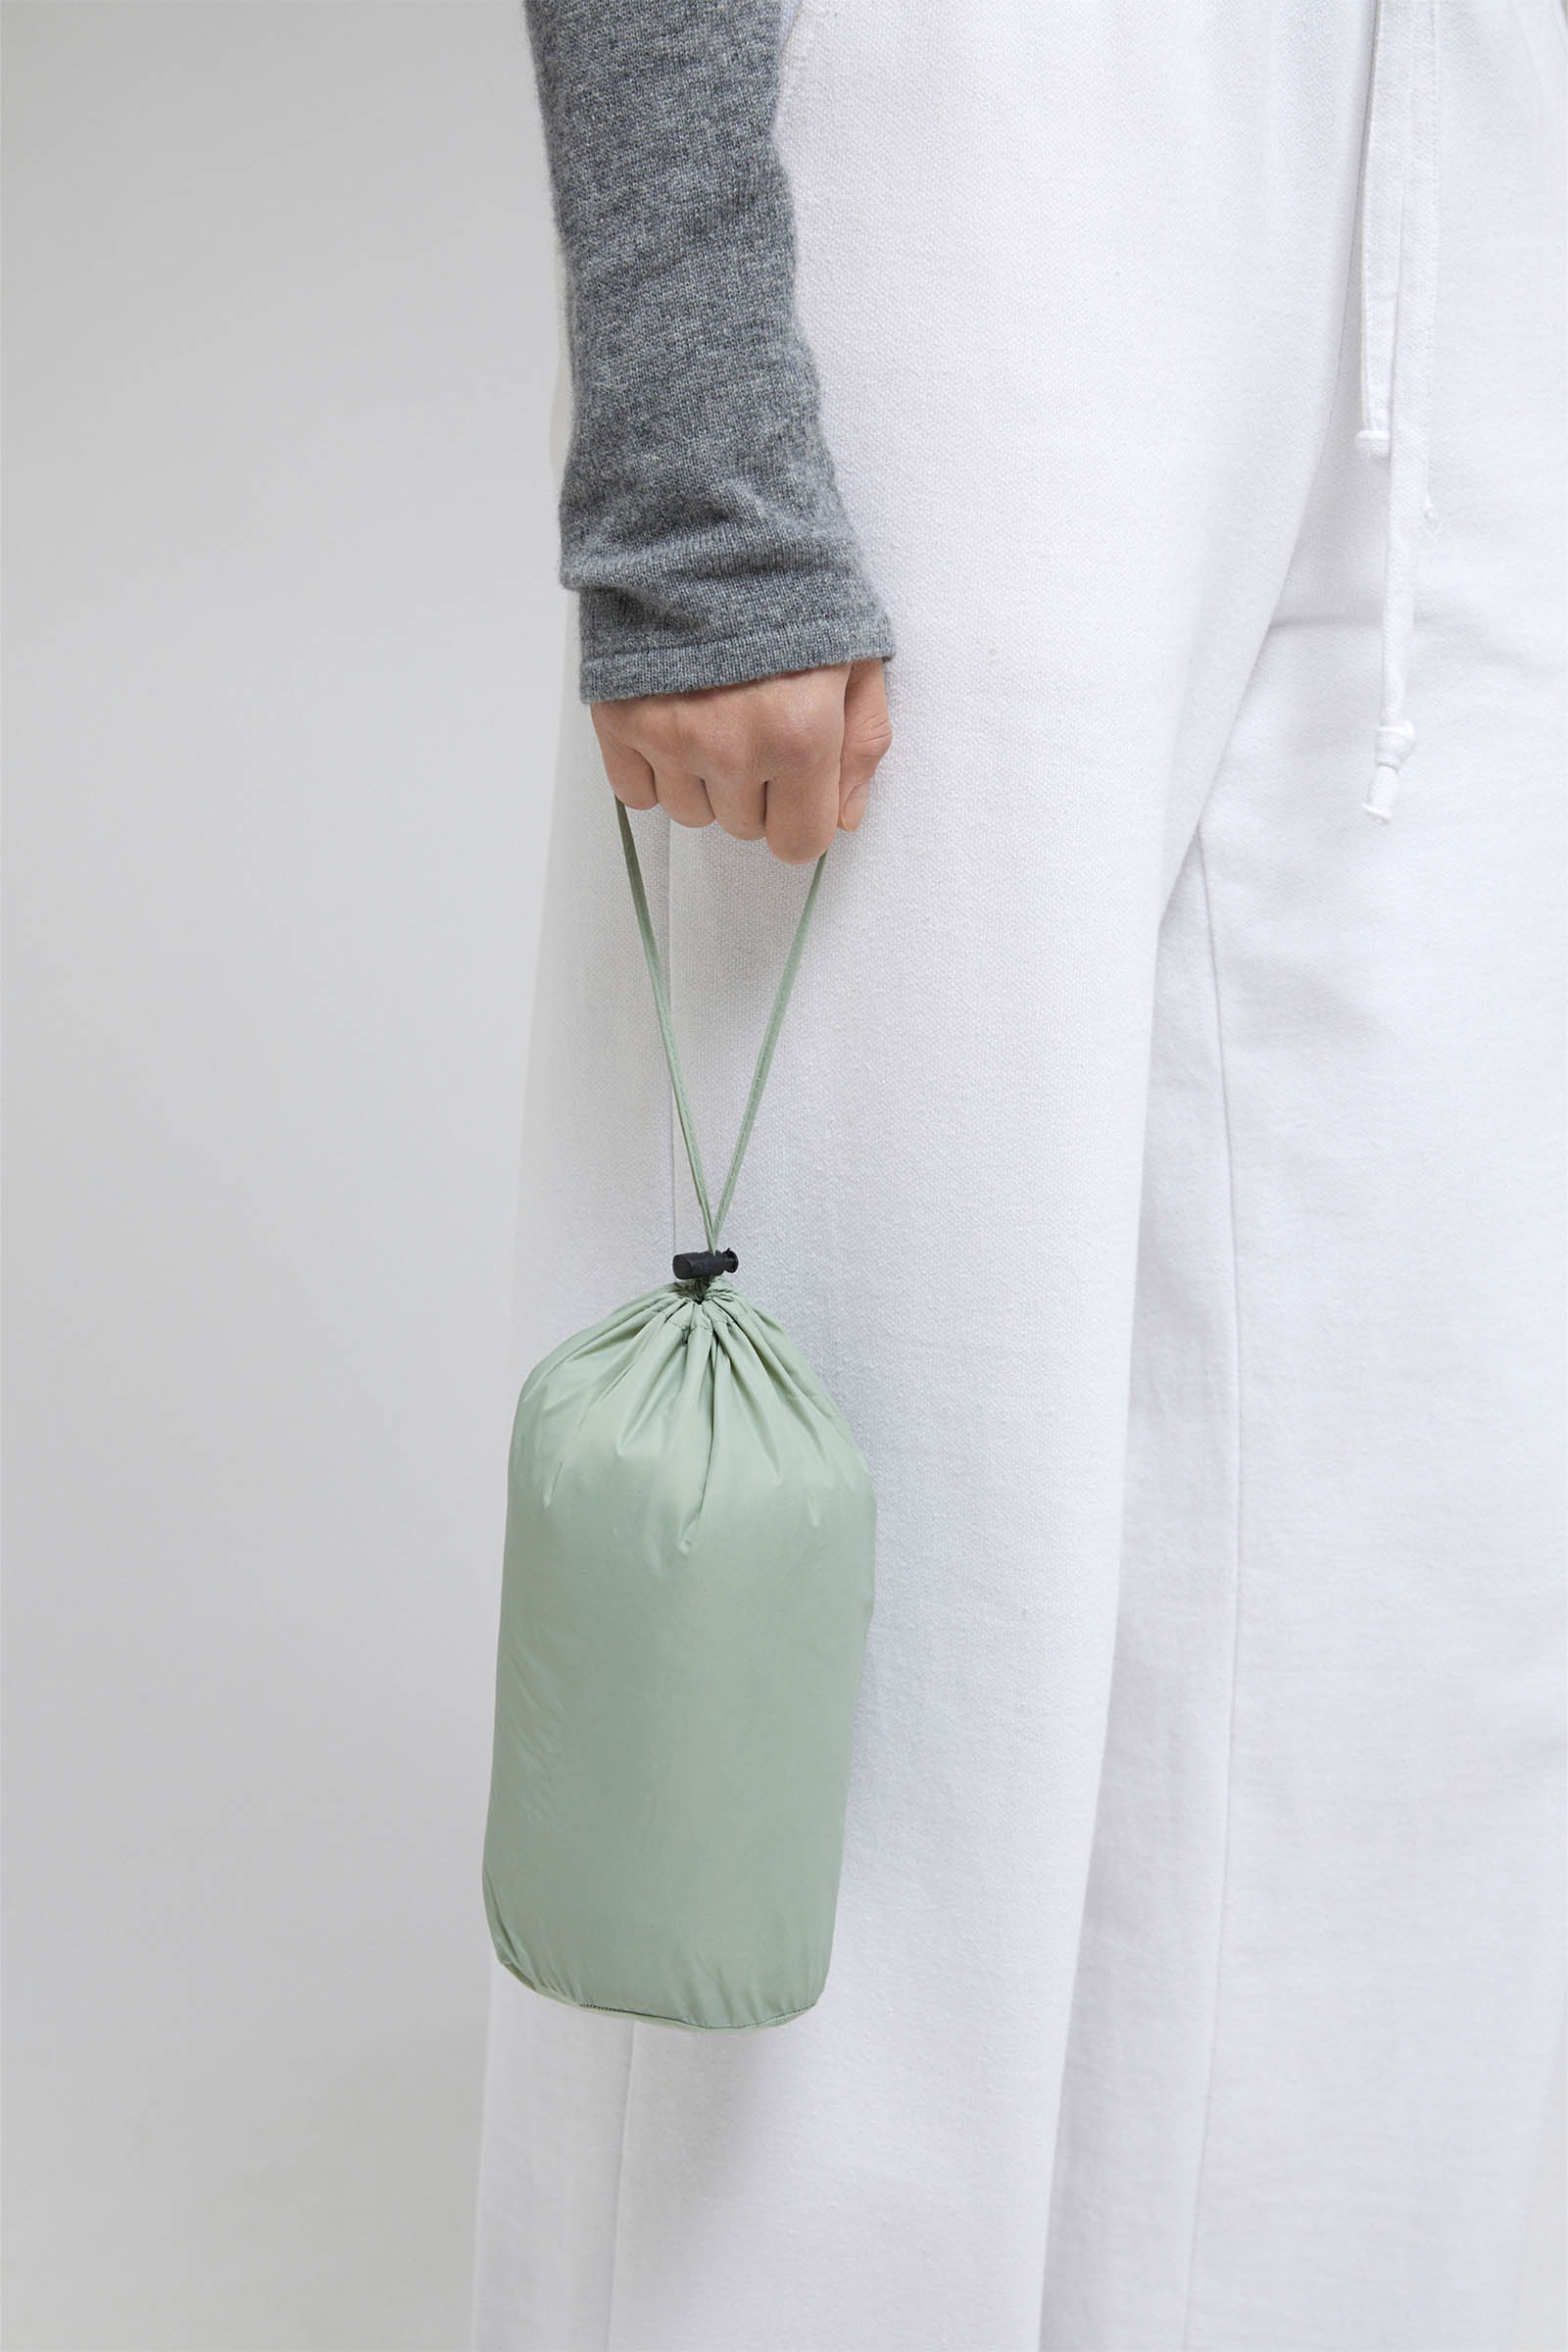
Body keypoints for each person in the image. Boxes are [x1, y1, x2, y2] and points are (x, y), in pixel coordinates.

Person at [470, 0, 1566, 2344]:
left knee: (1388, 1566)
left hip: (1485, 165)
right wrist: (693, 466)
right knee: (836, 1585)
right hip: (990, 123)